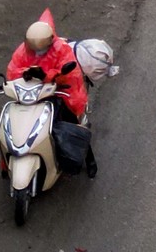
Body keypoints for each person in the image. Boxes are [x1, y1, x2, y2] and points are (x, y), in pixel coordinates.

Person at [8, 15, 93, 179]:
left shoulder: (62, 50)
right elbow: (13, 70)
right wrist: (25, 74)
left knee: (71, 125)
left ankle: (88, 160)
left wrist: (46, 75)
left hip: (57, 92)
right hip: (31, 94)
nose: (37, 53)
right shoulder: (23, 51)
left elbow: (70, 74)